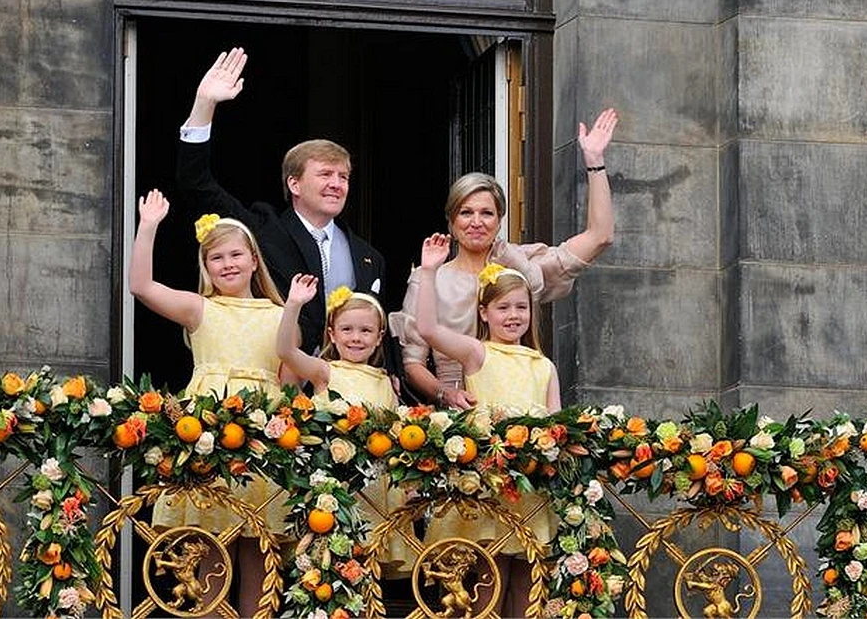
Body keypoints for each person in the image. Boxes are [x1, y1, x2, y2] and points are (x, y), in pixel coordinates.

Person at [389, 108, 618, 408]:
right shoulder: (428, 278)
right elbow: (413, 362)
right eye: (466, 212)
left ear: (499, 220)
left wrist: (594, 162)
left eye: (487, 213)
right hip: (457, 417)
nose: (476, 221)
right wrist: (447, 394)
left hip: (520, 411)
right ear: (451, 222)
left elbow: (600, 236)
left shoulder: (519, 267)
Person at [128, 189, 287, 617]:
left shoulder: (279, 313)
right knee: (211, 544)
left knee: (258, 547)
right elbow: (141, 286)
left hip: (262, 439)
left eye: (236, 255)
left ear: (254, 259)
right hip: (208, 437)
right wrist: (148, 227)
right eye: (217, 259)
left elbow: (290, 382)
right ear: (206, 267)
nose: (228, 265)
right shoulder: (200, 308)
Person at [176, 48, 385, 355]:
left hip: (343, 391)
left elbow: (377, 328)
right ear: (294, 183)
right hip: (274, 376)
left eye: (344, 177)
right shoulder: (261, 230)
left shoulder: (369, 256)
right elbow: (196, 184)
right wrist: (204, 104)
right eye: (326, 174)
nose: (337, 184)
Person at [414, 233, 560, 618]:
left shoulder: (544, 365)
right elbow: (427, 329)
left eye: (521, 308)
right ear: (484, 313)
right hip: (489, 489)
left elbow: (558, 426)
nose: (513, 316)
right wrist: (429, 272)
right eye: (503, 308)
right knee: (486, 586)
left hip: (532, 491)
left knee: (527, 590)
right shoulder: (477, 353)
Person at [276, 274, 414, 575]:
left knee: (366, 569)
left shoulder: (387, 383)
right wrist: (294, 305)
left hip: (375, 491)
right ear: (332, 334)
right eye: (347, 329)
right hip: (331, 489)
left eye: (365, 331)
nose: (356, 337)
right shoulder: (325, 372)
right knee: (324, 569)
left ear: (379, 337)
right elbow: (286, 351)